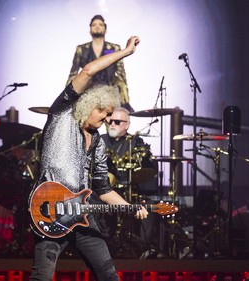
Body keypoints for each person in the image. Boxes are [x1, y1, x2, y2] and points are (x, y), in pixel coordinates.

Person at [29, 36, 146, 281]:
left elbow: (103, 189)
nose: (106, 122)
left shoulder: (99, 144)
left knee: (109, 276)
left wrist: (131, 208)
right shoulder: (62, 116)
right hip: (50, 211)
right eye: (103, 115)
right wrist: (125, 52)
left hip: (82, 216)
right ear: (91, 105)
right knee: (41, 277)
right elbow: (89, 70)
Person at [101, 107, 160, 258]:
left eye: (117, 122)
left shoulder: (136, 143)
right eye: (110, 121)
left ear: (127, 125)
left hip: (130, 190)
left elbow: (149, 169)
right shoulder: (99, 141)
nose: (112, 124)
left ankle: (143, 249)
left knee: (149, 205)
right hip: (104, 193)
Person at [66, 15, 134, 112]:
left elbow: (121, 75)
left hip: (110, 94)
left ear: (105, 29)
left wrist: (126, 101)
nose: (97, 27)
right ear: (90, 30)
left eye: (100, 25)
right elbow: (73, 74)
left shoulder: (114, 49)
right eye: (94, 25)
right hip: (87, 95)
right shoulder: (81, 49)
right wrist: (66, 98)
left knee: (111, 124)